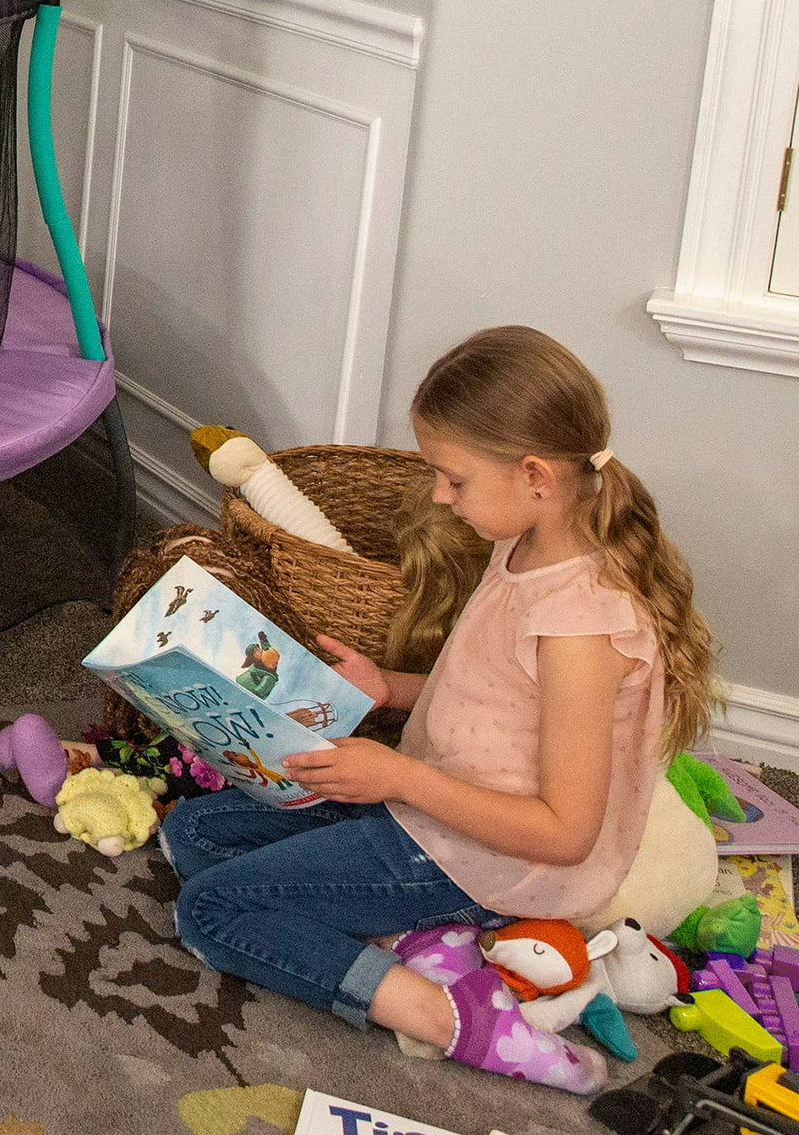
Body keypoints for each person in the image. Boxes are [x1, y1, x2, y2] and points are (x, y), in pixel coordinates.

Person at [159, 325, 716, 1097]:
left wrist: (398, 778)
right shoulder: (524, 541)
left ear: (535, 476)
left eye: (454, 479)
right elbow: (496, 696)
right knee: (193, 832)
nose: (441, 496)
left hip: (492, 859)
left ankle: (453, 1017)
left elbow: (565, 833)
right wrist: (389, 688)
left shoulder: (581, 627)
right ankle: (415, 934)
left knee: (212, 910)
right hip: (432, 807)